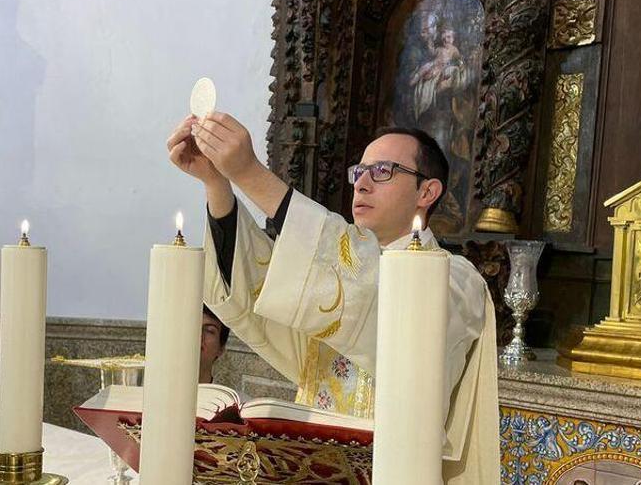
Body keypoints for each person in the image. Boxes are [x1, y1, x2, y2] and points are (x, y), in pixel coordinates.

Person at [166, 113, 498, 484]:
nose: (363, 184)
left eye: (384, 171)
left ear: (427, 192)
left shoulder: (456, 280)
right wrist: (217, 182)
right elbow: (253, 290)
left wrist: (251, 174)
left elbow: (370, 292)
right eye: (359, 172)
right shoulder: (325, 278)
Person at [199, 305, 229, 384]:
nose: (199, 335)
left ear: (221, 348)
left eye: (209, 331)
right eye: (191, 326)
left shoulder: (236, 397)